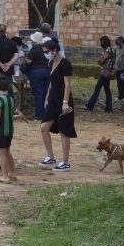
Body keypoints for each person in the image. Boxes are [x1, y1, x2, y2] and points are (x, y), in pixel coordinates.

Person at [38, 37, 76, 172]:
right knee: (44, 127)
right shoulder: (50, 63)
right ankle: (51, 157)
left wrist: (65, 102)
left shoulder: (65, 63)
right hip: (53, 100)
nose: (45, 54)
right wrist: (47, 98)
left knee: (64, 131)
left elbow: (67, 85)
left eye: (46, 52)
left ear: (54, 50)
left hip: (63, 100)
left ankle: (65, 162)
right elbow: (51, 82)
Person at [0, 74, 17, 183]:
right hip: (10, 130)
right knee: (7, 151)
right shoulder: (11, 99)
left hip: (0, 130)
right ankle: (12, 173)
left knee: (1, 152)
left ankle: (5, 176)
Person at [85, 35, 115, 112]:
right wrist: (100, 59)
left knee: (97, 88)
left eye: (101, 41)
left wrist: (99, 60)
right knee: (107, 89)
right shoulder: (108, 49)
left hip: (106, 72)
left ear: (104, 42)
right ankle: (109, 108)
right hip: (107, 72)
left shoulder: (108, 49)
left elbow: (103, 59)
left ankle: (90, 105)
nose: (100, 43)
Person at [25, 32, 50, 119]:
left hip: (36, 72)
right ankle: (47, 113)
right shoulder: (46, 47)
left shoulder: (35, 48)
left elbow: (29, 61)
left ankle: (39, 114)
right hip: (47, 71)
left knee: (39, 93)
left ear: (34, 41)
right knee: (46, 93)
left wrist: (25, 58)